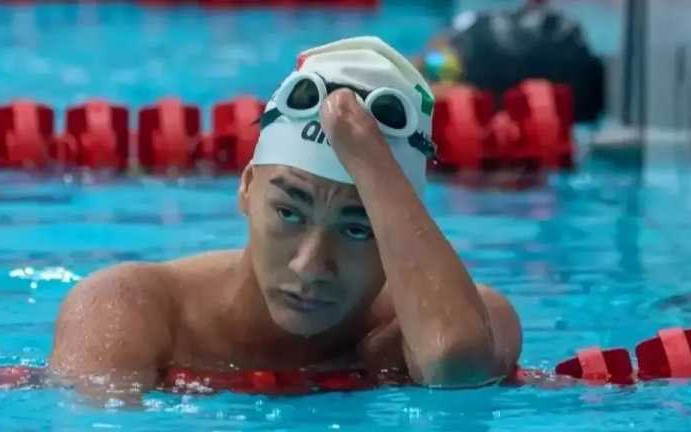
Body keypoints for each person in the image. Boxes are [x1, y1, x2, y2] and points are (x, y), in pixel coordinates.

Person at [49, 36, 522, 400]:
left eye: (358, 228)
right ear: (246, 187)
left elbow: (455, 373)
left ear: (398, 226)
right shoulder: (130, 311)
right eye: (289, 212)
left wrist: (373, 165)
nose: (310, 266)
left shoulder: (468, 320)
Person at [421, 0, 605, 123]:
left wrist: (428, 65)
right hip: (564, 111)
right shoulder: (567, 34)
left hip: (469, 85)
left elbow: (435, 64)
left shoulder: (469, 26)